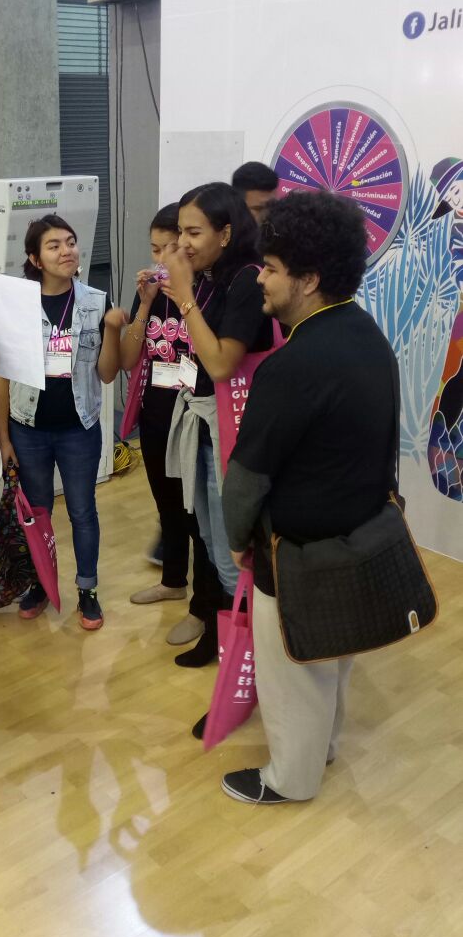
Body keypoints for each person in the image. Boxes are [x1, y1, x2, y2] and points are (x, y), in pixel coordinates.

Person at [220, 191, 395, 804]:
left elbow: (246, 477)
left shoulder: (291, 365)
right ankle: (322, 748)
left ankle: (290, 780)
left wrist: (237, 540)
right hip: (355, 535)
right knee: (331, 657)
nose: (260, 279)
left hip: (294, 549)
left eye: (271, 268)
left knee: (292, 669)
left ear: (309, 279)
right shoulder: (365, 333)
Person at [0, 214, 125, 630]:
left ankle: (87, 589)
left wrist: (112, 331)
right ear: (35, 258)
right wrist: (3, 436)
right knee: (37, 512)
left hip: (78, 429)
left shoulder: (96, 301)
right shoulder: (17, 303)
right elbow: (2, 375)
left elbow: (107, 374)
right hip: (27, 427)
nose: (67, 250)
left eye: (70, 242)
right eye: (54, 245)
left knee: (83, 511)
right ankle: (38, 584)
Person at [163, 183, 273, 671]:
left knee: (232, 554)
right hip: (207, 422)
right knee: (208, 540)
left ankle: (247, 659)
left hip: (233, 429)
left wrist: (185, 297)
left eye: (194, 232)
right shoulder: (211, 276)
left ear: (225, 233)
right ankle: (229, 645)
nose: (183, 243)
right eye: (180, 232)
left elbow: (223, 362)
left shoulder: (245, 280)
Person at [119, 204, 222, 646]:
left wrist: (184, 298)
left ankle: (203, 608)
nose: (160, 259)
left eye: (171, 249)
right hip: (156, 415)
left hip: (194, 421)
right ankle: (174, 581)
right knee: (167, 508)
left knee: (199, 519)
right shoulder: (153, 293)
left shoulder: (209, 296)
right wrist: (143, 305)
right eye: (155, 248)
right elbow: (128, 360)